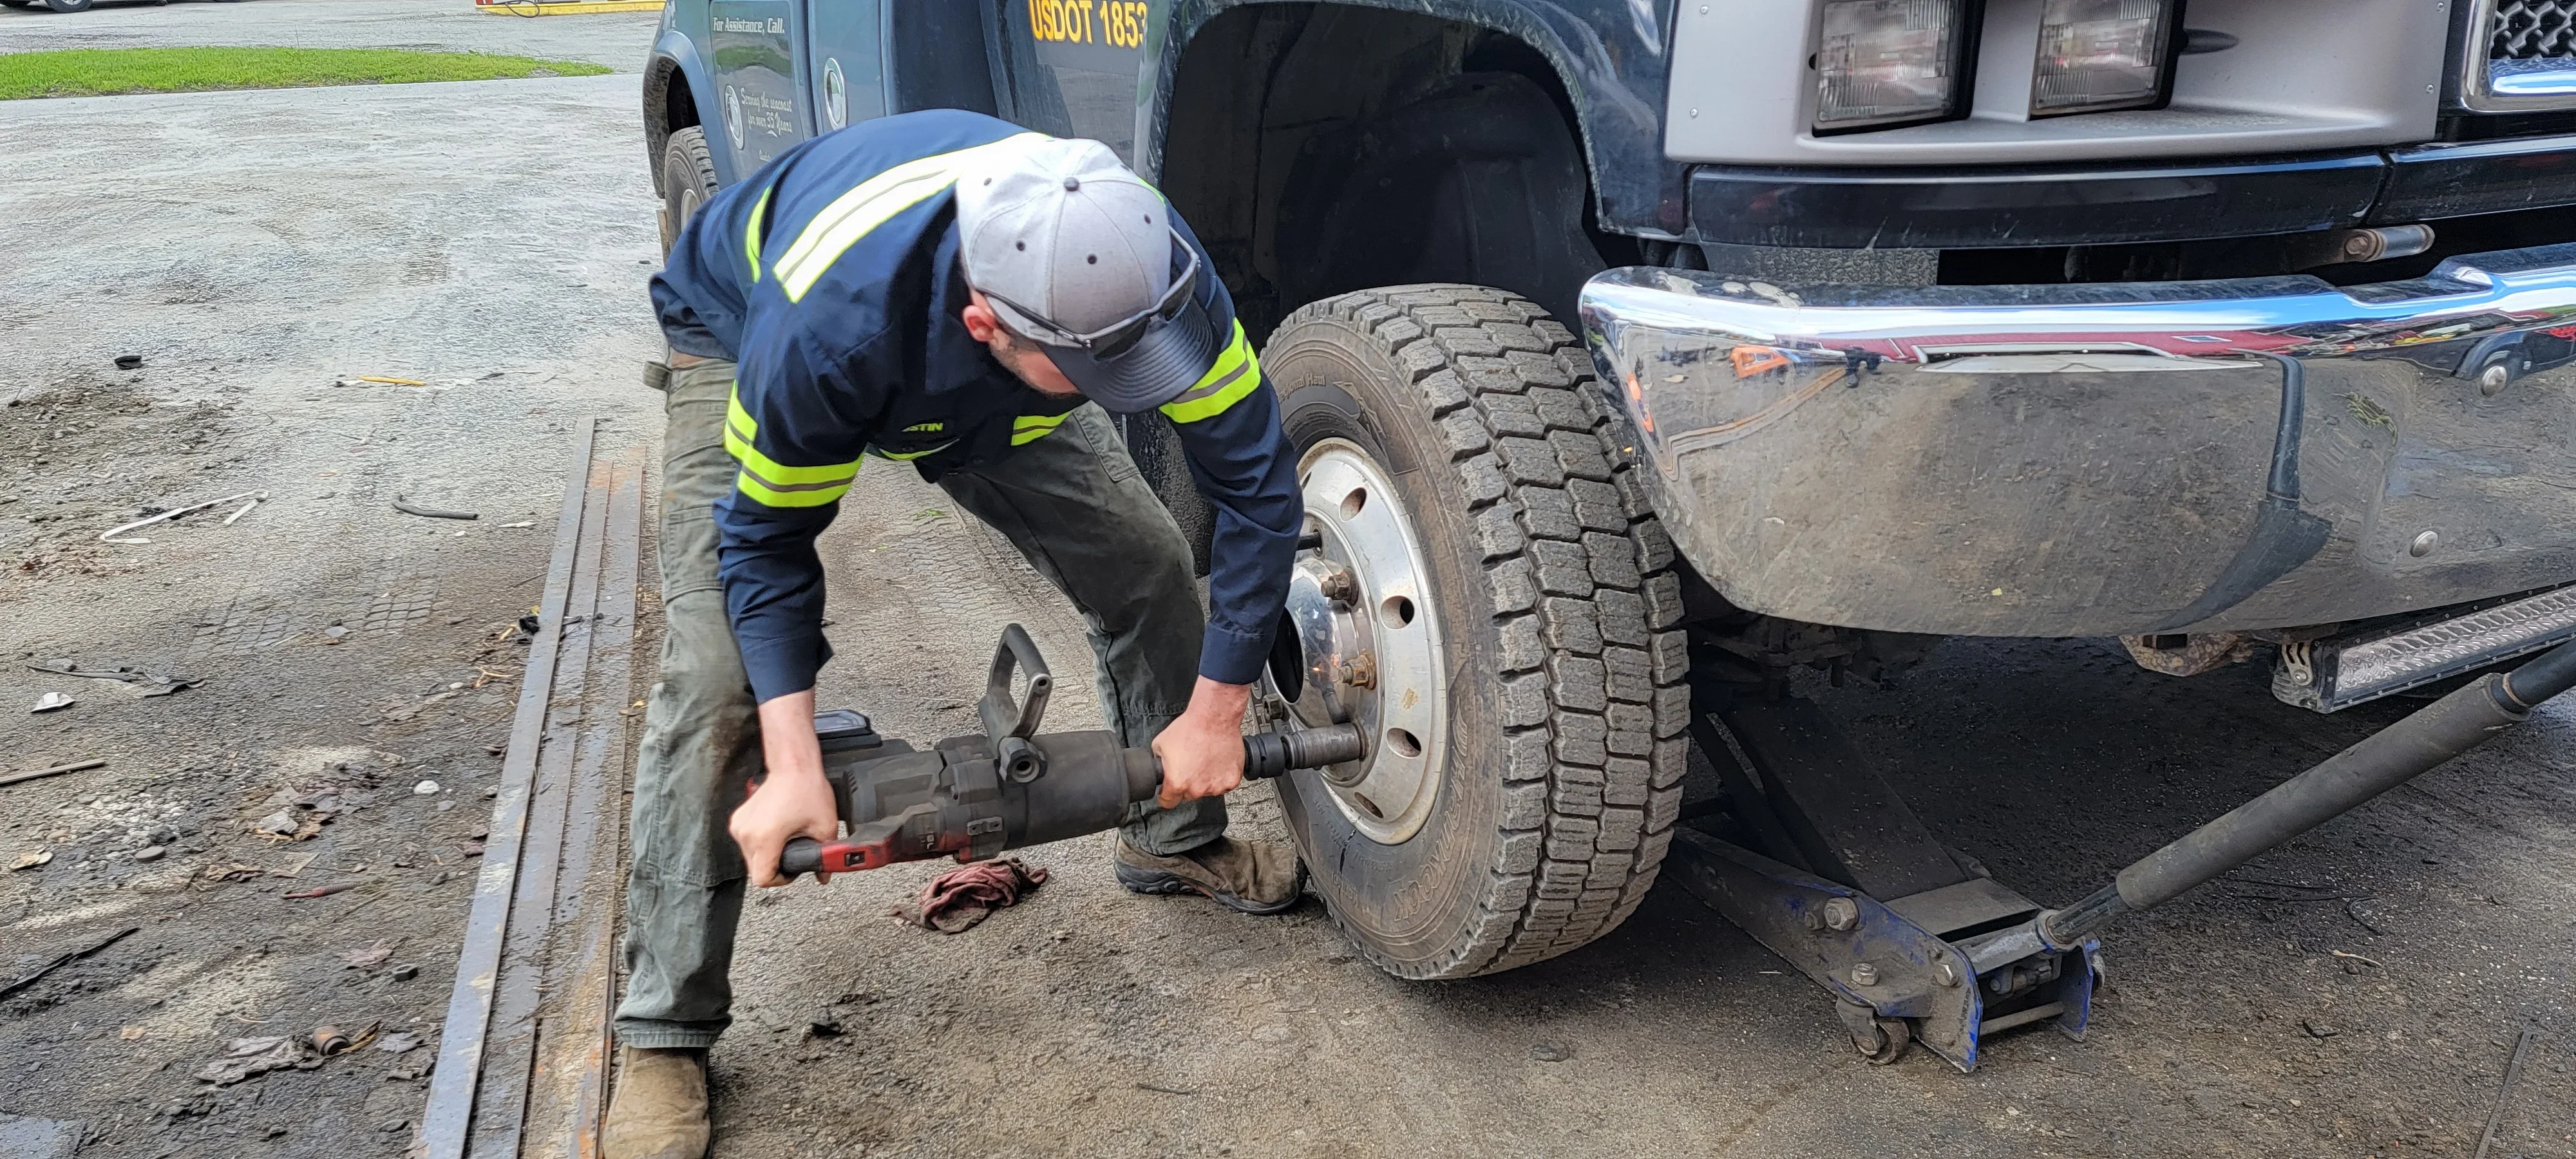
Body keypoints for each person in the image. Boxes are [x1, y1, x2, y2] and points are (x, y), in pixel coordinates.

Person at [605, 111, 1304, 1159]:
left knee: (1151, 568)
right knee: (716, 679)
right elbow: (765, 550)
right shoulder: (828, 331)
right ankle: (664, 1027)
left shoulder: (1143, 275)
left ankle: (1173, 841)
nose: (1140, 393)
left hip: (1001, 379)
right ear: (989, 323)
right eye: (1107, 376)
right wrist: (794, 764)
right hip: (742, 326)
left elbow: (1256, 491)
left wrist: (1215, 715)